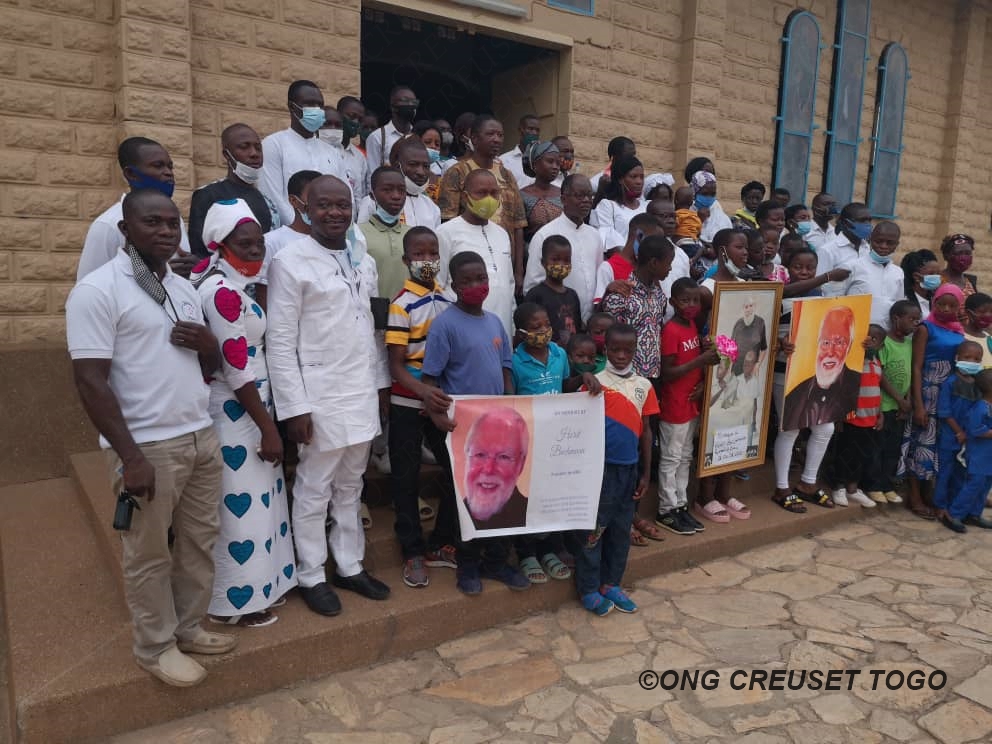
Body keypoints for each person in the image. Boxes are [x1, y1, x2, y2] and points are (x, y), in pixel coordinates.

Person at [66, 189, 232, 687]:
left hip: (200, 435)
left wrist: (209, 346)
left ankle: (188, 626)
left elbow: (209, 364)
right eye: (151, 222)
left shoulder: (182, 289)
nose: (164, 231)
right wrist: (129, 455)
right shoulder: (98, 291)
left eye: (171, 224)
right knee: (148, 551)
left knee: (199, 543)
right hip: (147, 447)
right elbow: (89, 381)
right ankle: (155, 646)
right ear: (125, 230)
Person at [266, 175, 391, 616]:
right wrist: (294, 408)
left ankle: (349, 564)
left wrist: (380, 385)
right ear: (304, 208)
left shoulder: (363, 260)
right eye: (325, 205)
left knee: (351, 484)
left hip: (360, 390)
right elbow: (279, 343)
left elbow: (374, 331)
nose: (335, 212)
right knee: (314, 487)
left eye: (343, 204)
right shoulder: (289, 261)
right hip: (318, 396)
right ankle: (312, 573)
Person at [191, 200, 295, 627]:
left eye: (258, 243)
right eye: (244, 243)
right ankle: (236, 603)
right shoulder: (221, 294)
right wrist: (268, 428)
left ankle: (262, 586)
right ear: (221, 244)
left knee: (260, 503)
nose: (255, 251)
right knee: (240, 510)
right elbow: (235, 367)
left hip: (253, 408)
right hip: (238, 412)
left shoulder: (234, 287)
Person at [422, 251, 529, 595]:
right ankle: (468, 565)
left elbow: (506, 367)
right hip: (464, 429)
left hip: (500, 427)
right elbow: (431, 378)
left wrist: (510, 403)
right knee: (467, 500)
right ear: (453, 285)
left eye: (480, 278)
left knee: (504, 497)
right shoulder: (444, 325)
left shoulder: (496, 322)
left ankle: (497, 562)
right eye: (467, 281)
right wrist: (439, 414)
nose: (476, 286)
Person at [385, 227, 457, 589]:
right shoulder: (400, 304)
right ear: (405, 260)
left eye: (432, 253)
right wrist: (421, 394)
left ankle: (439, 542)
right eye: (419, 254)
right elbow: (395, 364)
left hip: (439, 403)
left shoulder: (447, 298)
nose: (426, 260)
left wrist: (436, 397)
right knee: (405, 476)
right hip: (407, 402)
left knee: (455, 469)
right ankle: (411, 550)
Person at [510, 302, 600, 583]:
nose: (543, 331)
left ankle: (549, 549)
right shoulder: (514, 361)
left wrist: (582, 378)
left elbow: (564, 387)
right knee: (528, 498)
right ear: (522, 332)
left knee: (552, 497)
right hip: (529, 442)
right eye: (535, 327)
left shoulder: (560, 354)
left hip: (556, 441)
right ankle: (527, 553)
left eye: (546, 324)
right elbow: (511, 401)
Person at [574, 323, 658, 616]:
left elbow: (646, 431)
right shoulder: (595, 382)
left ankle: (611, 583)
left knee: (621, 530)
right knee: (594, 531)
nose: (622, 355)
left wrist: (646, 473)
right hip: (600, 471)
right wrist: (581, 380)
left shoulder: (644, 385)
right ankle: (587, 587)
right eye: (616, 350)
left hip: (630, 471)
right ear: (605, 349)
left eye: (628, 350)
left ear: (636, 350)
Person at [77, 137, 195, 280]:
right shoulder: (107, 225)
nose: (168, 172)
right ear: (131, 174)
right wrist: (161, 278)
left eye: (169, 167)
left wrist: (195, 269)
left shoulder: (173, 218)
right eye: (158, 166)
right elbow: (90, 285)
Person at [656, 278, 718, 534]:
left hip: (691, 401)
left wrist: (702, 381)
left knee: (685, 457)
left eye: (695, 300)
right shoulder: (671, 330)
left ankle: (680, 504)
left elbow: (694, 360)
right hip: (674, 404)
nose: (691, 305)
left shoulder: (693, 324)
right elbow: (667, 372)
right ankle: (665, 509)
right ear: (673, 302)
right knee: (671, 457)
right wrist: (701, 360)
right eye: (685, 300)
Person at [437, 115, 527, 291]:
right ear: (475, 139)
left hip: (501, 256)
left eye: (500, 135)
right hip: (468, 255)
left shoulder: (507, 175)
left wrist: (518, 271)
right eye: (490, 134)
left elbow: (518, 223)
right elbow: (448, 219)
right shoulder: (457, 172)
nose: (497, 139)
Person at [902, 283, 966, 520]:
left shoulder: (958, 330)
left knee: (939, 446)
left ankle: (931, 493)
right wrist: (919, 404)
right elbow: (916, 367)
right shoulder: (925, 328)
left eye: (952, 305)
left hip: (949, 392)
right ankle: (915, 495)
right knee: (921, 444)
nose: (946, 309)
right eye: (941, 303)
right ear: (934, 302)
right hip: (928, 391)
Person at [771, 294, 835, 513]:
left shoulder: (822, 299)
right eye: (799, 266)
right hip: (786, 372)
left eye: (810, 268)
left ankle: (808, 482)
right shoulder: (780, 300)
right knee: (789, 428)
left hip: (814, 372)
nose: (805, 272)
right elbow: (765, 334)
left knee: (826, 426)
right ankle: (781, 488)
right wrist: (779, 344)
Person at [436, 169, 514, 335]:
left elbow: (509, 283)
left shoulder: (502, 234)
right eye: (481, 193)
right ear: (465, 197)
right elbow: (437, 287)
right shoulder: (446, 232)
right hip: (462, 329)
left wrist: (512, 328)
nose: (489, 199)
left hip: (502, 328)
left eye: (494, 193)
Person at [257, 80, 345, 226]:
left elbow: (345, 194)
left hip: (330, 235)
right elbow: (273, 197)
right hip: (290, 235)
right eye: (310, 104)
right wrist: (301, 228)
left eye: (320, 105)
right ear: (292, 107)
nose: (316, 109)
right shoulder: (273, 145)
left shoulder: (332, 152)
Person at [187, 124, 279, 258]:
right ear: (227, 154)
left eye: (258, 148)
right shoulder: (208, 194)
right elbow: (199, 251)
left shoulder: (268, 200)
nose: (254, 153)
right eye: (244, 147)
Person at [524, 174, 603, 323]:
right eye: (579, 196)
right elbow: (532, 286)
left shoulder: (595, 236)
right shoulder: (545, 235)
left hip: (589, 325)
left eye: (589, 195)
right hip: (556, 324)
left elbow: (598, 279)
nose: (586, 200)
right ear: (563, 199)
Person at [601, 235, 674, 379]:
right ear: (654, 263)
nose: (670, 268)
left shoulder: (659, 295)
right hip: (626, 376)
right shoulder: (621, 294)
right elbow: (606, 336)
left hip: (653, 375)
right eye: (668, 263)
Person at [781, 306, 862, 431]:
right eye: (826, 342)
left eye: (840, 343)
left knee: (825, 431)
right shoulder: (795, 395)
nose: (831, 352)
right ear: (817, 344)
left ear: (849, 346)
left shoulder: (855, 384)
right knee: (790, 433)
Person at [831, 324, 885, 508]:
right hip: (852, 418)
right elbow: (842, 388)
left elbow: (878, 390)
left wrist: (880, 415)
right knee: (845, 453)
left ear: (881, 345)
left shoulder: (877, 363)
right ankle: (838, 487)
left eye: (875, 339)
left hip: (870, 419)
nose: (869, 341)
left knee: (861, 455)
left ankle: (852, 489)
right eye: (867, 337)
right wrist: (839, 415)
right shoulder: (853, 361)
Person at [932, 340, 983, 531]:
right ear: (957, 359)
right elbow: (945, 412)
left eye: (976, 359)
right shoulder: (950, 383)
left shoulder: (979, 385)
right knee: (945, 473)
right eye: (967, 358)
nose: (972, 361)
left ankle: (955, 508)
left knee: (962, 473)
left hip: (970, 438)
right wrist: (959, 431)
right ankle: (940, 506)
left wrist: (969, 433)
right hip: (950, 436)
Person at [876, 300, 920, 503]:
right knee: (878, 446)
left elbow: (912, 374)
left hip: (900, 408)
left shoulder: (911, 345)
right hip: (884, 405)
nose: (915, 324)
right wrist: (897, 398)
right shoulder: (884, 342)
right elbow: (880, 375)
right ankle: (873, 485)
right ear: (896, 319)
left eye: (917, 319)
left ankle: (886, 484)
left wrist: (907, 402)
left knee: (893, 449)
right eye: (911, 319)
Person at [255, 169, 321, 300]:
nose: (320, 204)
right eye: (312, 197)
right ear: (293, 200)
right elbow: (263, 293)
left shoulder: (332, 242)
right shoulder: (271, 242)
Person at [357, 137, 442, 230]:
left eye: (426, 166)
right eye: (413, 164)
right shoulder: (373, 202)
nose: (421, 172)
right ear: (398, 166)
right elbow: (362, 237)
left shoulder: (431, 207)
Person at [359, 166, 410, 301]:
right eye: (387, 190)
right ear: (372, 195)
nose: (396, 196)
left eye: (401, 190)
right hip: (373, 314)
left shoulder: (412, 234)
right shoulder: (357, 233)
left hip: (406, 315)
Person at [951, 370, 992, 532]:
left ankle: (974, 514)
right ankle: (955, 514)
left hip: (989, 456)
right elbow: (976, 430)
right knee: (974, 484)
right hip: (979, 455)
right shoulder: (980, 407)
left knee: (985, 485)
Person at [594, 212, 662, 306]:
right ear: (639, 236)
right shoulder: (609, 267)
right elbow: (599, 310)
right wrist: (608, 292)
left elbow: (660, 306)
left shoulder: (651, 266)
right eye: (654, 242)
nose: (657, 248)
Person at [524, 235, 582, 345]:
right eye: (555, 259)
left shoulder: (573, 295)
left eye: (566, 260)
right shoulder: (535, 295)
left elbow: (577, 328)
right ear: (543, 262)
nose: (561, 264)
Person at [847, 221, 905, 329]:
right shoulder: (853, 266)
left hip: (885, 336)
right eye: (879, 241)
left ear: (896, 245)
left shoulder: (898, 272)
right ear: (870, 239)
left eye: (890, 243)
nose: (883, 246)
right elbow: (836, 299)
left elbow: (898, 306)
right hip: (855, 332)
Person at [816, 202, 872, 297]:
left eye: (869, 220)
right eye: (862, 221)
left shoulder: (866, 248)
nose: (867, 225)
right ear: (847, 223)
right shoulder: (828, 250)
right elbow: (819, 285)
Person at [591, 156, 646, 251]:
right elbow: (608, 241)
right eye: (633, 177)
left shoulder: (647, 206)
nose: (639, 182)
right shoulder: (608, 206)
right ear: (620, 179)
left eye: (641, 177)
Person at [365, 85, 418, 172]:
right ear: (393, 107)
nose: (410, 105)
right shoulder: (377, 137)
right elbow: (372, 174)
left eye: (413, 102)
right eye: (405, 101)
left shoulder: (418, 135)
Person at [520, 141, 563, 242]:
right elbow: (518, 232)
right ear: (535, 164)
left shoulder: (563, 194)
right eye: (550, 161)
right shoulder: (522, 196)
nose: (555, 167)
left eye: (558, 163)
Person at [336, 95, 371, 210]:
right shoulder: (324, 149)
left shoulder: (360, 157)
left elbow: (362, 195)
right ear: (338, 115)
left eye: (360, 120)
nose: (356, 122)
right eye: (351, 116)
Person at [692, 170, 733, 244]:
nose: (709, 197)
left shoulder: (718, 212)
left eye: (713, 194)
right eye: (705, 194)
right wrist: (699, 220)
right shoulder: (687, 210)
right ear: (694, 192)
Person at [501, 113, 541, 188]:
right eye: (530, 129)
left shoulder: (543, 160)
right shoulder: (504, 161)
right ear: (520, 130)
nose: (534, 133)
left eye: (537, 130)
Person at [902, 249, 941, 317]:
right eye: (931, 274)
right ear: (916, 277)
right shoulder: (905, 301)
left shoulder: (937, 298)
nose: (937, 277)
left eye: (938, 273)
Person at [939, 233, 978, 298]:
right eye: (959, 253)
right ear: (946, 256)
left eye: (968, 253)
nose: (964, 257)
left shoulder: (970, 281)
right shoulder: (937, 280)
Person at [413, 120, 444, 199]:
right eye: (427, 142)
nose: (433, 146)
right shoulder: (401, 174)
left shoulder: (439, 181)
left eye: (437, 144)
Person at [963, 293, 992, 368]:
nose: (988, 315)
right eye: (982, 311)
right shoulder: (961, 337)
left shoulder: (989, 337)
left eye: (991, 312)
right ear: (969, 313)